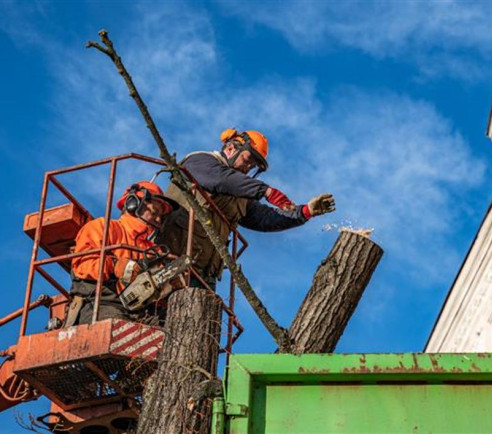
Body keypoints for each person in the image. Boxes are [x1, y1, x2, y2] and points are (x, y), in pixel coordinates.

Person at [157, 128, 335, 287]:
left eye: (254, 166)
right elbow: (220, 179)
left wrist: (305, 212)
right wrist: (267, 191)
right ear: (231, 148)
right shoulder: (199, 162)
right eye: (249, 159)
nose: (249, 167)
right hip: (168, 261)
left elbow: (265, 219)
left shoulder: (238, 194)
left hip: (203, 274)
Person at [65, 181, 179, 326]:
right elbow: (83, 264)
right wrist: (114, 265)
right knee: (118, 323)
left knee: (174, 325)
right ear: (133, 204)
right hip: (99, 304)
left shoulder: (153, 250)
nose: (158, 219)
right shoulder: (103, 227)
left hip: (140, 311)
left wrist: (170, 285)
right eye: (154, 212)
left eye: (160, 216)